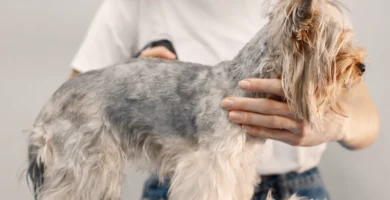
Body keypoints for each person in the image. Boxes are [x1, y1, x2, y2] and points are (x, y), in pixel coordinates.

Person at [68, 0, 380, 199]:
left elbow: (367, 120)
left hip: (296, 186)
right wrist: (131, 78)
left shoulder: (311, 13)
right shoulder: (138, 4)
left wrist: (337, 126)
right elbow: (76, 103)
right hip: (178, 185)